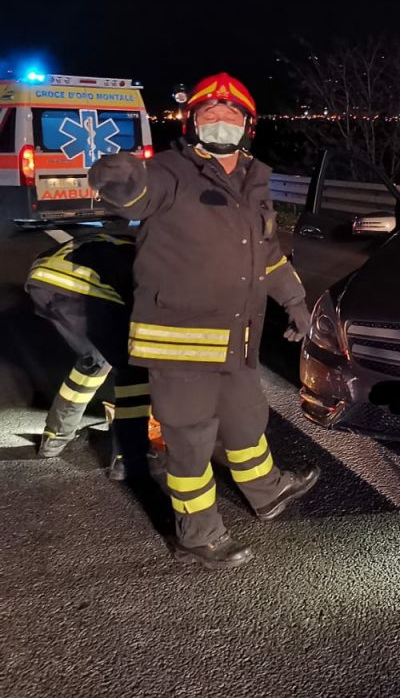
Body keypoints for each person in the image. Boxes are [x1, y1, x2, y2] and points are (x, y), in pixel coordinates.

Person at [88, 71, 320, 570]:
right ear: (191, 124)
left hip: (237, 339)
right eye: (208, 115)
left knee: (246, 419)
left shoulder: (254, 178)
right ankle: (196, 534)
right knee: (190, 443)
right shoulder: (171, 171)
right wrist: (118, 173)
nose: (219, 122)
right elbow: (133, 193)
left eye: (230, 115)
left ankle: (266, 491)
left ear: (248, 125)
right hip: (180, 345)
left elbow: (269, 252)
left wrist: (296, 302)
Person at [27, 232, 152, 479]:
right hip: (83, 286)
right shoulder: (150, 258)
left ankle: (55, 436)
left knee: (94, 359)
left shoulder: (125, 246)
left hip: (42, 281)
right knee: (133, 371)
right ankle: (129, 456)